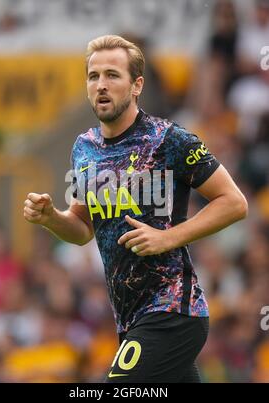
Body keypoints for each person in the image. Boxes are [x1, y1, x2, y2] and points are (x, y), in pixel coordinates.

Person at [23, 35, 248, 383]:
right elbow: (83, 229)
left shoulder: (169, 139)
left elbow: (234, 202)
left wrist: (167, 238)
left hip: (172, 311)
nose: (101, 85)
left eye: (112, 75)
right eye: (93, 76)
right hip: (129, 319)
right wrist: (52, 218)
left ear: (137, 84)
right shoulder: (83, 148)